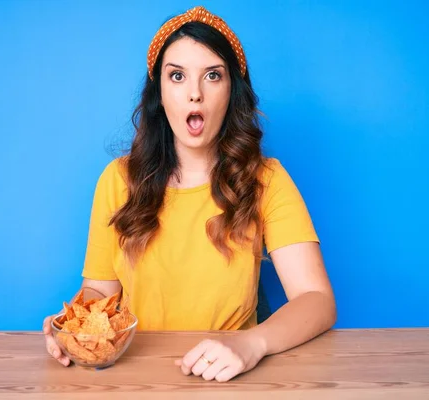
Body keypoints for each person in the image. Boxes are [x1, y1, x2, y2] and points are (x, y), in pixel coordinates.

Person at [43, 5, 336, 382]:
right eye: (177, 76)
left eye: (212, 76)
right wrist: (76, 329)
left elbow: (317, 299)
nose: (194, 94)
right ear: (159, 94)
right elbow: (99, 290)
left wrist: (252, 344)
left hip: (231, 376)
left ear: (232, 90)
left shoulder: (266, 179)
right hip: (136, 376)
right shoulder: (117, 180)